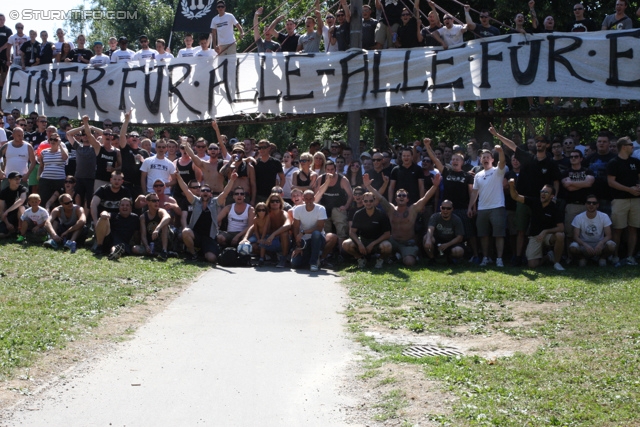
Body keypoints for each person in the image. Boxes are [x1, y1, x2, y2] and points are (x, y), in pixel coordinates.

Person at [363, 172, 441, 266]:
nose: (401, 197)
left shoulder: (413, 209)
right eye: (399, 196)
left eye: (403, 196)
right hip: (393, 241)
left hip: (407, 243)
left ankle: (402, 255)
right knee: (383, 245)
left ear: (407, 199)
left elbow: (425, 198)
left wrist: (435, 186)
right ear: (395, 199)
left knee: (409, 263)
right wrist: (368, 186)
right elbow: (380, 197)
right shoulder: (390, 209)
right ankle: (392, 255)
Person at [175, 170, 238, 263]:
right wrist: (179, 177)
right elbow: (186, 190)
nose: (205, 192)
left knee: (212, 259)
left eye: (207, 191)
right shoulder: (195, 201)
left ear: (210, 194)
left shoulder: (215, 202)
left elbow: (225, 192)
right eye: (203, 190)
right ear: (200, 193)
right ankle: (194, 255)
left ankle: (203, 252)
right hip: (196, 235)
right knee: (185, 231)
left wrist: (232, 180)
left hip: (209, 237)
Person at [508, 179, 565, 270]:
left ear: (552, 196)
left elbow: (561, 228)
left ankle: (557, 263)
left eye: (546, 192)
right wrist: (511, 185)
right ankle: (548, 256)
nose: (543, 193)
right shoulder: (534, 201)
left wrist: (545, 231)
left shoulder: (555, 208)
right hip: (535, 236)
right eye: (542, 191)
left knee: (560, 235)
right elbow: (516, 197)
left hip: (548, 236)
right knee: (532, 265)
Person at [468, 143, 506, 268]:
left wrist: (500, 151)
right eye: (482, 157)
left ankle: (499, 259)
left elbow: (502, 162)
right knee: (483, 235)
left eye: (487, 157)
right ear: (480, 160)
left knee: (498, 234)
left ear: (492, 159)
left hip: (497, 207)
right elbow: (474, 193)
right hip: (482, 209)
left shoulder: (498, 171)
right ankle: (485, 258)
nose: (485, 159)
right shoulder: (478, 175)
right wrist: (470, 207)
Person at [606, 136, 640, 266]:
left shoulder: (636, 162)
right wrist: (629, 190)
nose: (633, 146)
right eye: (631, 144)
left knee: (633, 228)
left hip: (636, 200)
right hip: (619, 200)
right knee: (618, 229)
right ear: (624, 147)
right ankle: (615, 257)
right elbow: (611, 182)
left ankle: (630, 257)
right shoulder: (613, 162)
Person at [342, 191, 392, 269]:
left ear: (374, 201)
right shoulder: (358, 214)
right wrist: (359, 244)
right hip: (363, 240)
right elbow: (352, 232)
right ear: (363, 202)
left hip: (377, 241)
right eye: (366, 201)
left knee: (387, 246)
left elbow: (387, 234)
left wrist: (372, 244)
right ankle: (361, 258)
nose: (368, 203)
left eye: (371, 201)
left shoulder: (381, 214)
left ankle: (380, 260)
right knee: (345, 244)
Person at [314, 160, 353, 248]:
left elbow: (351, 195)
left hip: (338, 207)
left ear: (335, 169)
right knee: (325, 230)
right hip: (324, 207)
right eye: (328, 169)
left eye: (332, 169)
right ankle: (327, 251)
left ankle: (342, 251)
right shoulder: (320, 178)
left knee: (341, 229)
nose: (330, 171)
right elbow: (316, 196)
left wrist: (346, 206)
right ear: (325, 169)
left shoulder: (342, 179)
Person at [569, 196, 616, 267]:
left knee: (611, 245)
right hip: (584, 245)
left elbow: (609, 235)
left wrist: (601, 243)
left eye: (594, 203)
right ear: (585, 204)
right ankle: (582, 258)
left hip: (599, 245)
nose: (591, 205)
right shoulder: (578, 217)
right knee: (573, 247)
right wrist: (585, 245)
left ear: (597, 205)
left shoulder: (604, 216)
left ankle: (602, 258)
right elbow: (575, 236)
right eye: (589, 203)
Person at [291, 189, 328, 272]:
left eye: (310, 198)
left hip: (318, 239)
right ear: (303, 199)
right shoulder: (297, 209)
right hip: (304, 240)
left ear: (314, 198)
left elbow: (319, 227)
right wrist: (298, 245)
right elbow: (296, 227)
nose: (308, 201)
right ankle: (312, 257)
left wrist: (303, 232)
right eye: (306, 199)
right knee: (295, 264)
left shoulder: (321, 209)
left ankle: (313, 263)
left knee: (316, 233)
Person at [118, 111, 150, 199]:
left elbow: (150, 168)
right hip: (125, 184)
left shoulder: (144, 152)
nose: (134, 137)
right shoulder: (125, 148)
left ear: (139, 140)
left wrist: (143, 160)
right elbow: (121, 136)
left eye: (137, 136)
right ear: (128, 139)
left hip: (139, 185)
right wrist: (126, 120)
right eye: (132, 136)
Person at [134, 193, 173, 260]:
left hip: (164, 240)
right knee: (135, 249)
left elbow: (168, 217)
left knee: (165, 224)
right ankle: (160, 253)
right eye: (154, 201)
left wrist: (157, 229)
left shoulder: (161, 211)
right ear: (148, 202)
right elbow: (143, 235)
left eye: (158, 200)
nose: (157, 202)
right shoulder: (143, 217)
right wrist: (146, 246)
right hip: (152, 243)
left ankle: (164, 251)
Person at [259, 192, 291, 267]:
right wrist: (245, 238)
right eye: (272, 201)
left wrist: (273, 234)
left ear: (280, 203)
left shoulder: (283, 213)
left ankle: (283, 258)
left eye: (277, 201)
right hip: (268, 239)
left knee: (284, 233)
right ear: (269, 203)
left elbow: (288, 224)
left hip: (281, 240)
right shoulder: (265, 213)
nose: (275, 203)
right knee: (254, 246)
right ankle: (273, 256)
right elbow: (254, 225)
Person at [37, 133, 69, 208]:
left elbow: (65, 157)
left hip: (59, 180)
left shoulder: (63, 150)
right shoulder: (44, 152)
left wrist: (60, 144)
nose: (53, 141)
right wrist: (38, 176)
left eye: (55, 139)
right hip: (45, 179)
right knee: (44, 200)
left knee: (58, 202)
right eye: (51, 139)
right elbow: (41, 166)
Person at [253, 139, 285, 205]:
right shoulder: (255, 163)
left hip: (272, 196)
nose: (261, 149)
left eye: (264, 147)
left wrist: (278, 191)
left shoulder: (276, 162)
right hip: (258, 196)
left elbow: (283, 179)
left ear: (269, 148)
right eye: (259, 148)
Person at [0, 171, 27, 238]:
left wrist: (7, 211)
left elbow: (21, 201)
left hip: (23, 215)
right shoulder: (4, 192)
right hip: (10, 215)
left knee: (21, 208)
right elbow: (1, 209)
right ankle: (12, 231)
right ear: (9, 180)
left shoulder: (23, 189)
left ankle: (22, 232)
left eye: (19, 179)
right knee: (1, 234)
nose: (18, 181)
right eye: (16, 179)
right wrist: (7, 223)